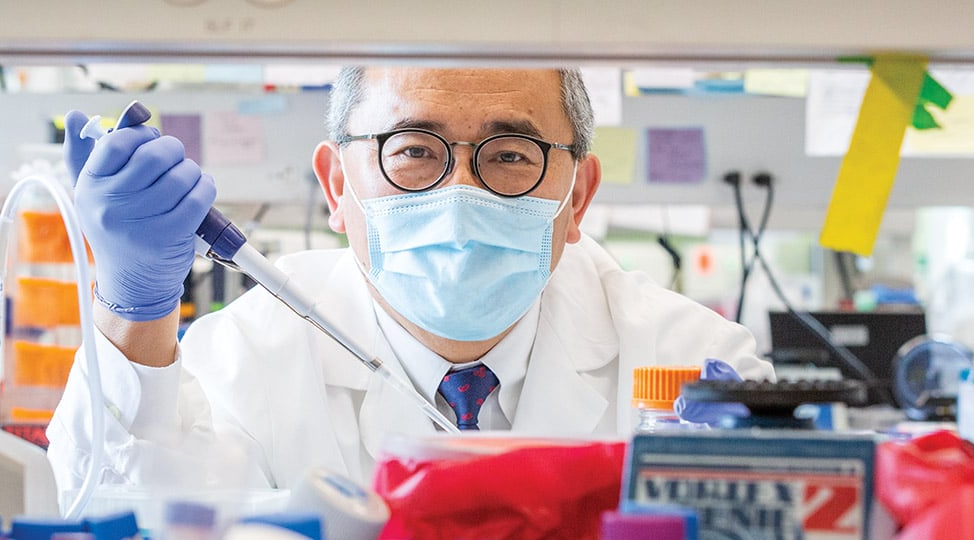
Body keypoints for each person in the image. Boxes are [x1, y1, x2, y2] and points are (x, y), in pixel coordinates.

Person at [47, 67, 775, 494]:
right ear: (336, 187)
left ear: (577, 196)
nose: (461, 192)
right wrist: (133, 308)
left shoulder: (692, 363)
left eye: (512, 153)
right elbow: (117, 507)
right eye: (413, 150)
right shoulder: (243, 363)